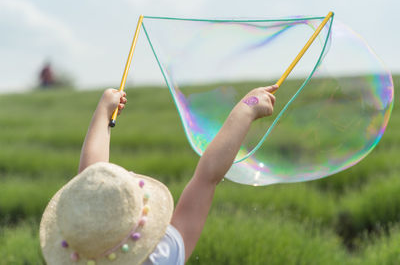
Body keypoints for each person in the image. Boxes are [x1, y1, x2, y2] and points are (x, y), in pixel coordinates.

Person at [40, 85, 278, 264]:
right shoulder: (161, 255)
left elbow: (91, 184)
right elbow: (206, 179)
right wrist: (247, 108)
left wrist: (103, 111)